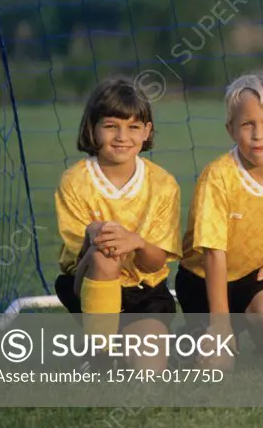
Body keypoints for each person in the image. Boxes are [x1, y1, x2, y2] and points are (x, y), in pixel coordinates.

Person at [54, 75, 181, 369]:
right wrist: (93, 236)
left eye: (133, 127)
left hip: (145, 293)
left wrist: (136, 242)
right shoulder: (74, 181)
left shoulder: (163, 184)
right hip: (89, 282)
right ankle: (98, 354)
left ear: (146, 131)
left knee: (149, 369)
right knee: (104, 254)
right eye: (111, 125)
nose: (122, 136)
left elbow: (155, 263)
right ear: (93, 128)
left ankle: (130, 344)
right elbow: (75, 262)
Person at [175, 73, 263, 344]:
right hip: (203, 281)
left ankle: (255, 337)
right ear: (231, 129)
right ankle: (197, 334)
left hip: (252, 276)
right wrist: (220, 325)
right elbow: (213, 253)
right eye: (247, 124)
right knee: (216, 364)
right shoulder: (218, 176)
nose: (259, 135)